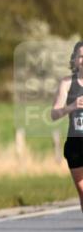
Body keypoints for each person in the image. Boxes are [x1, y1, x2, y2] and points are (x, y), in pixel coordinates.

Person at [51, 40, 83, 213]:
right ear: (75, 60)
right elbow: (54, 114)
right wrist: (72, 106)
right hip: (76, 143)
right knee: (82, 190)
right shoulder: (67, 83)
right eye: (81, 56)